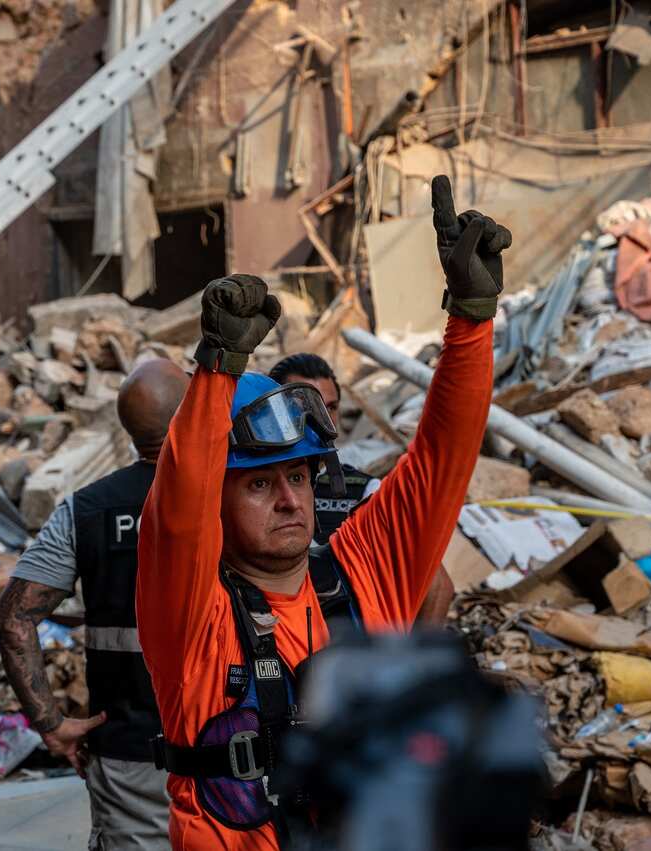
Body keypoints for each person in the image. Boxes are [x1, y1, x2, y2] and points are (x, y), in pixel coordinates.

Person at [136, 175, 508, 849]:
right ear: (218, 502)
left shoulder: (363, 579)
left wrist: (472, 319)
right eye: (257, 485)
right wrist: (217, 369)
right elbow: (178, 512)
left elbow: (440, 460)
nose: (289, 498)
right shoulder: (191, 617)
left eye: (299, 477)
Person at [0, 358, 191, 851]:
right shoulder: (234, 496)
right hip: (236, 755)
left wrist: (53, 725)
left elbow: (13, 618)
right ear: (192, 415)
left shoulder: (87, 510)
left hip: (130, 762)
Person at [267, 352, 455, 624]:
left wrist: (411, 660)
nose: (322, 420)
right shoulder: (244, 486)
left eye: (330, 407)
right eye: (303, 406)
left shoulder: (365, 491)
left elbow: (437, 586)